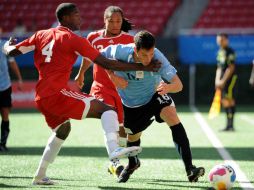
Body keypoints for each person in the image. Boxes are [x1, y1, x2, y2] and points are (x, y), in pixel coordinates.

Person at [3, 3, 160, 185]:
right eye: (77, 15)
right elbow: (108, 63)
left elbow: (12, 51)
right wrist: (143, 66)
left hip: (41, 96)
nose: (81, 18)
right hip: (58, 93)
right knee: (107, 110)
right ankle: (114, 153)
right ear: (66, 18)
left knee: (63, 130)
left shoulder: (41, 34)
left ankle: (39, 176)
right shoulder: (74, 39)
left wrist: (6, 45)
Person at [76, 30, 205, 183]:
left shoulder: (158, 57)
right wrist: (112, 76)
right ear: (135, 49)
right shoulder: (119, 51)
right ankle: (133, 163)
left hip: (154, 96)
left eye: (150, 54)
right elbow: (99, 57)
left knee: (173, 118)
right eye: (144, 55)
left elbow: (179, 85)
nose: (148, 59)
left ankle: (190, 169)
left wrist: (168, 88)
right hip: (132, 105)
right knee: (133, 137)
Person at [75, 5, 133, 177]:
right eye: (111, 21)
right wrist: (81, 74)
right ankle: (116, 164)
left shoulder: (129, 39)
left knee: (123, 130)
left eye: (118, 21)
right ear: (104, 20)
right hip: (100, 88)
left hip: (123, 90)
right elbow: (88, 58)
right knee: (110, 122)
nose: (115, 24)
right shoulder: (93, 37)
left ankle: (115, 161)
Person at [0, 27, 23, 152]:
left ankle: (2, 143)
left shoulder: (4, 45)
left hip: (4, 85)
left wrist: (19, 79)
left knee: (5, 113)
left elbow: (12, 62)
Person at [216, 33, 237, 131]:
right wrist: (217, 80)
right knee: (224, 101)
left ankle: (231, 125)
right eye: (219, 40)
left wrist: (223, 81)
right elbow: (219, 67)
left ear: (227, 40)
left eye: (222, 40)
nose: (220, 42)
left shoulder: (230, 51)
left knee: (230, 100)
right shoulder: (220, 52)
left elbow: (231, 67)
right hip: (222, 80)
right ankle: (228, 125)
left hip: (230, 80)